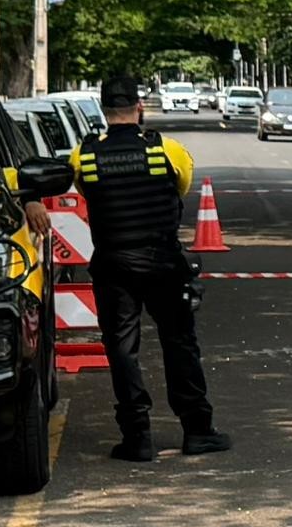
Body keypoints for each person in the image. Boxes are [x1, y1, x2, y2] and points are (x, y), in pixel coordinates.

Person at [72, 77, 224, 462]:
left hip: (113, 265)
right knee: (179, 342)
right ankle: (197, 430)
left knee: (122, 349)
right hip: (163, 262)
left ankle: (137, 437)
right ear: (139, 107)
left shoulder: (83, 156)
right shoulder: (166, 151)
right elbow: (181, 187)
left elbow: (85, 192)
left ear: (104, 112)